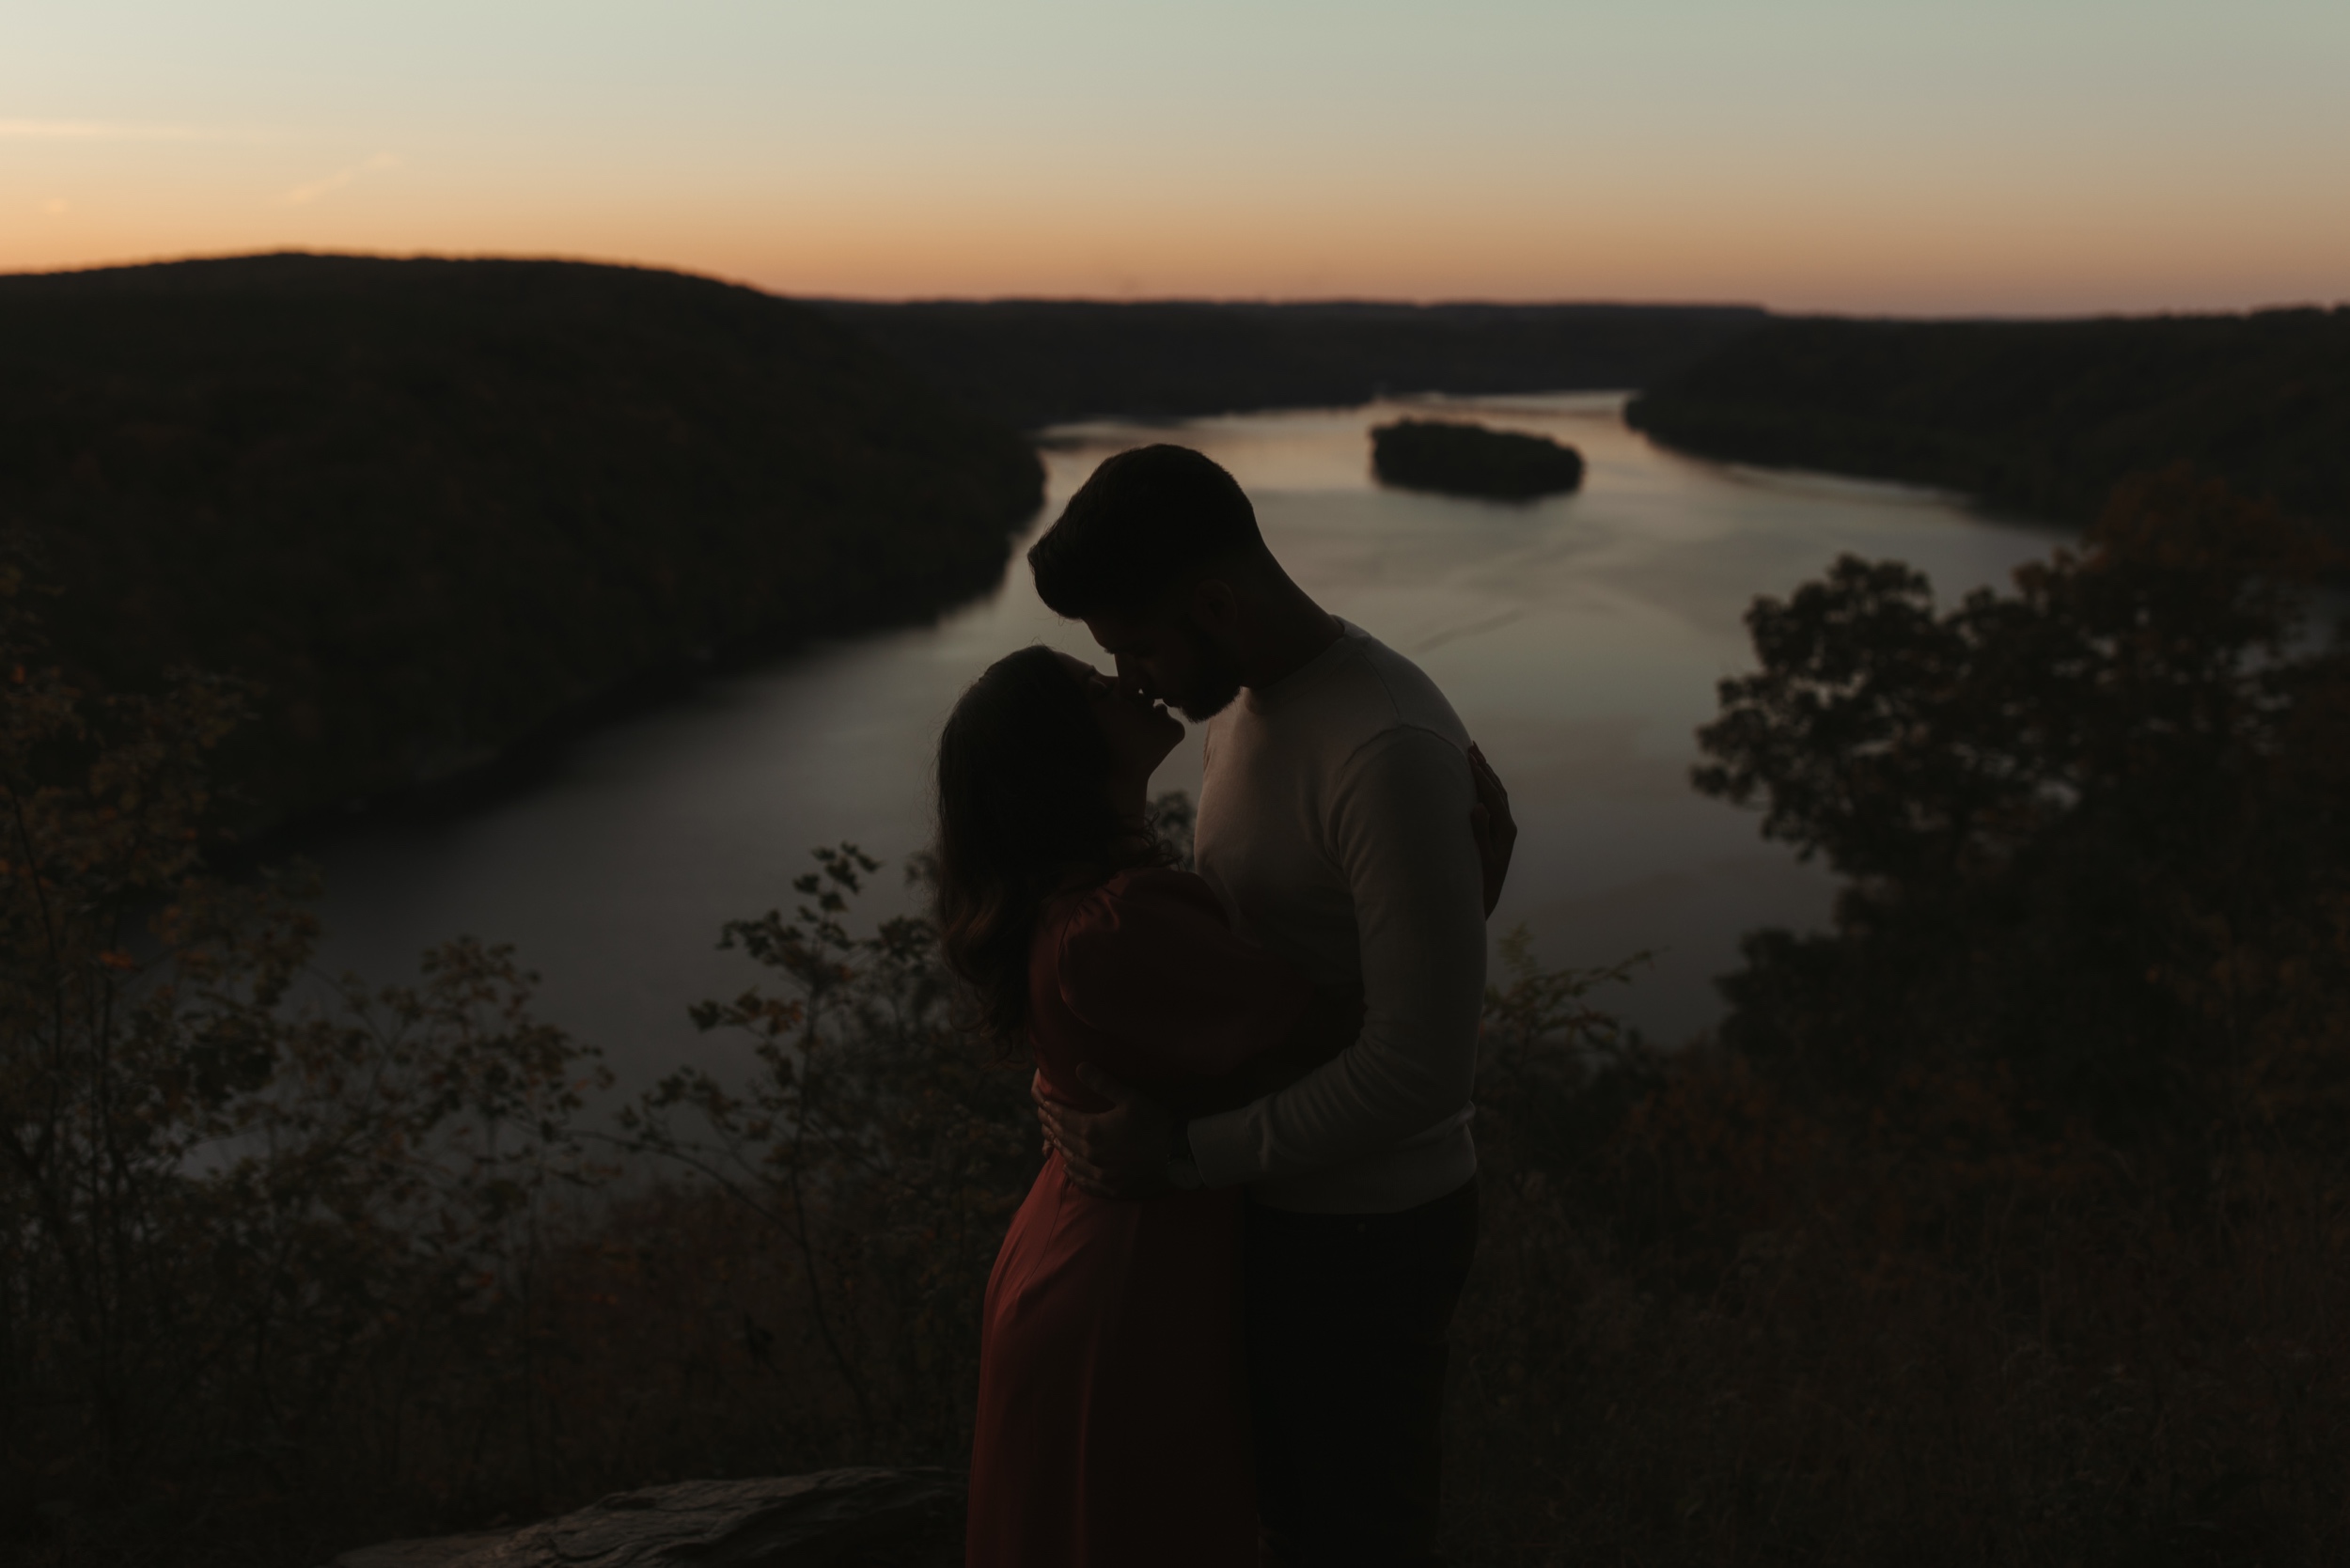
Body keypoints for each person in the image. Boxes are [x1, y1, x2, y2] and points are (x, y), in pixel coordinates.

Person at [1026, 444, 1507, 1568]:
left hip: (1367, 1234)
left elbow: (1420, 1073)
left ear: (1213, 603)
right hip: (1274, 1205)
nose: (1133, 678)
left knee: (1354, 1535)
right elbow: (1269, 964)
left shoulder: (1381, 746)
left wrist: (1183, 1155)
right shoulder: (1245, 711)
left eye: (1138, 646)